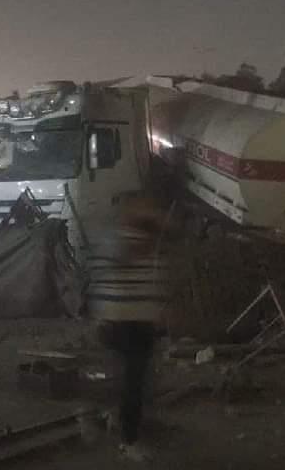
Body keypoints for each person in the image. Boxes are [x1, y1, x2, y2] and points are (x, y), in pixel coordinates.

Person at [94, 193, 171, 462]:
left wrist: (159, 313)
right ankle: (128, 440)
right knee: (133, 383)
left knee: (133, 380)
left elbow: (153, 279)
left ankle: (119, 422)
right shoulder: (122, 239)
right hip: (124, 321)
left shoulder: (141, 239)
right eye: (142, 207)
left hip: (137, 320)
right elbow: (123, 257)